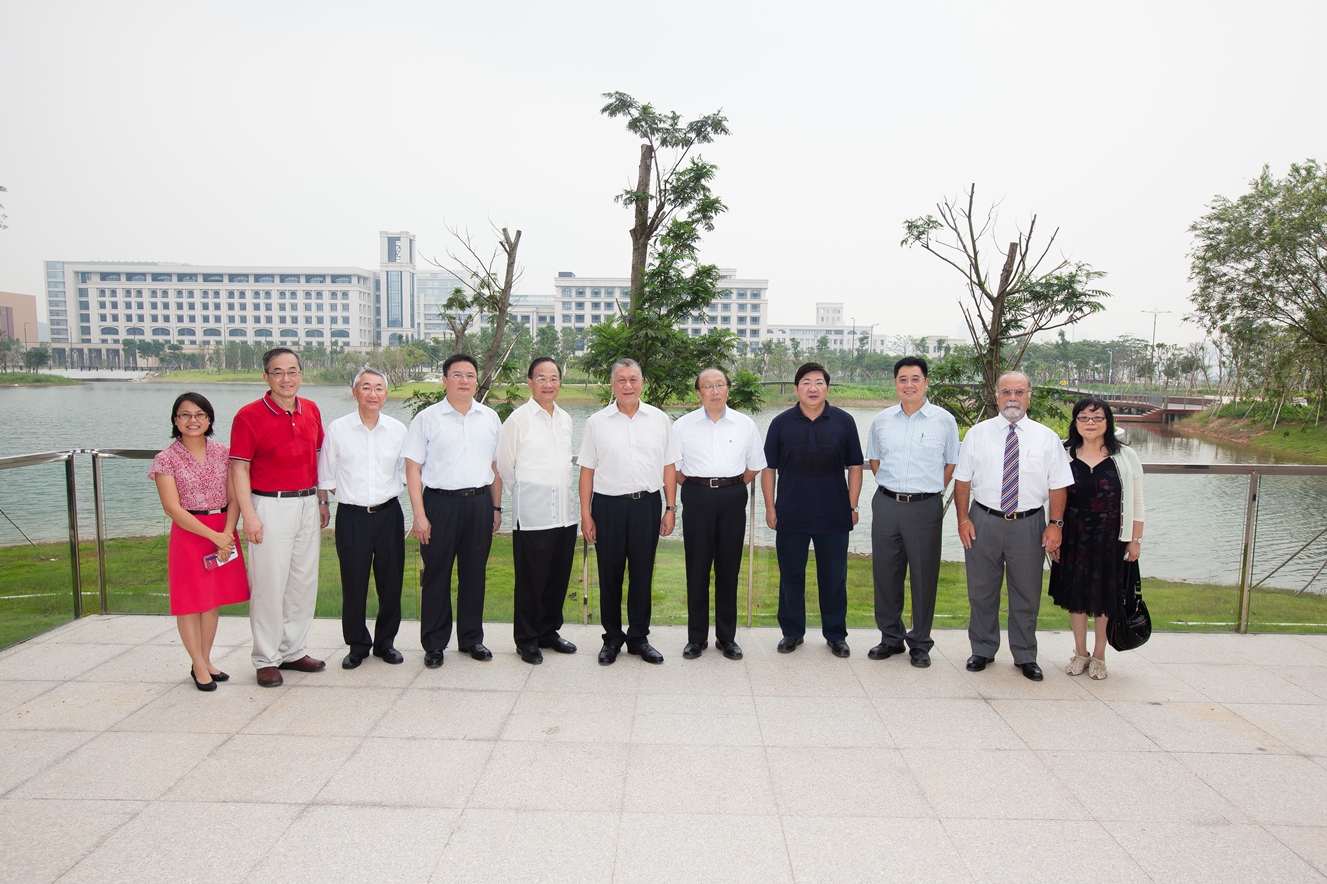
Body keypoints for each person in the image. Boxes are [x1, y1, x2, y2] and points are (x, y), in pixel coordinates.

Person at [953, 371, 1074, 681]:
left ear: (1028, 397)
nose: (1012, 398)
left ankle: (1025, 654)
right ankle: (982, 649)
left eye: (1019, 392)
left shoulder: (1046, 437)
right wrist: (963, 519)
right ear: (997, 397)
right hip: (983, 521)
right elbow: (962, 480)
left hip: (1029, 524)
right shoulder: (977, 434)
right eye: (1006, 392)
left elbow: (1059, 485)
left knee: (1027, 593)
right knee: (981, 591)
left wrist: (1055, 525)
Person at [231, 347, 329, 688]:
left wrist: (322, 501)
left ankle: (293, 650)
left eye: (292, 371)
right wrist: (249, 516)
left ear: (301, 374)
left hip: (307, 503)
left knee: (303, 582)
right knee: (269, 585)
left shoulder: (311, 409)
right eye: (278, 372)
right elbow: (239, 469)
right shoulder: (248, 416)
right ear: (266, 377)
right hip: (269, 505)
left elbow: (318, 458)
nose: (286, 378)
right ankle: (266, 658)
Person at [403, 353, 502, 669]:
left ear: (477, 381)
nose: (464, 381)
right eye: (457, 375)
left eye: (470, 375)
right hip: (439, 505)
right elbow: (413, 469)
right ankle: (434, 644)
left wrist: (496, 507)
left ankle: (471, 639)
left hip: (479, 503)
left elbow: (496, 467)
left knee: (474, 574)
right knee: (437, 574)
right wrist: (419, 515)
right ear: (445, 380)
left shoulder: (490, 418)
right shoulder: (427, 419)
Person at [578, 358, 680, 665]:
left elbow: (669, 466)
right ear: (612, 384)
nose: (627, 385)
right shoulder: (596, 422)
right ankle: (611, 638)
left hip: (646, 505)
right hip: (607, 507)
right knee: (609, 575)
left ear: (642, 383)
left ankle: (638, 638)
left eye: (633, 379)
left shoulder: (659, 419)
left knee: (642, 574)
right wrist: (586, 513)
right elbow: (586, 471)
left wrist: (670, 507)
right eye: (621, 380)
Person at [761, 362, 864, 658]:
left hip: (834, 514)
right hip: (790, 513)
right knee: (791, 576)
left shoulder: (844, 421)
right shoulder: (781, 423)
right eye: (806, 382)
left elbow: (856, 466)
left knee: (834, 578)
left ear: (827, 388)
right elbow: (768, 468)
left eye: (819, 382)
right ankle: (792, 633)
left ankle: (836, 635)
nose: (813, 388)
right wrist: (770, 507)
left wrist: (852, 505)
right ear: (796, 389)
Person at [149, 393, 250, 692]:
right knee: (190, 603)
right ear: (175, 420)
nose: (193, 420)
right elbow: (172, 508)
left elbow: (235, 498)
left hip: (223, 529)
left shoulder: (224, 453)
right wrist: (214, 536)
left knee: (212, 601)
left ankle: (205, 660)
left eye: (200, 415)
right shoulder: (166, 459)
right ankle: (197, 664)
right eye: (185, 415)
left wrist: (227, 535)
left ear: (209, 419)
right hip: (190, 533)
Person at [865, 356, 959, 668]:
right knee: (885, 574)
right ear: (895, 384)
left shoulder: (944, 420)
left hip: (924, 507)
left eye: (915, 378)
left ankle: (920, 643)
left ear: (926, 382)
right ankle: (890, 638)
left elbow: (951, 462)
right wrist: (894, 488)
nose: (909, 385)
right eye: (902, 379)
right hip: (886, 503)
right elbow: (875, 460)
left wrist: (929, 489)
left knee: (923, 576)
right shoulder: (882, 420)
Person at [1048, 398, 1145, 681]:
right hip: (1073, 537)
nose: (1090, 423)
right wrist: (1054, 534)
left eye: (1097, 417)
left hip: (1111, 538)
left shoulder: (1125, 456)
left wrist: (1135, 539)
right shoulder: (1063, 453)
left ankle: (1100, 655)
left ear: (1108, 422)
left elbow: (1138, 501)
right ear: (1075, 422)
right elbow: (1051, 496)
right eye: (1084, 417)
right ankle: (1081, 652)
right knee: (1076, 596)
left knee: (1105, 597)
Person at [318, 367, 408, 670]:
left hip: (389, 514)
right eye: (366, 387)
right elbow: (326, 474)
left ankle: (386, 643)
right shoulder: (338, 429)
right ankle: (357, 645)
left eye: (379, 388)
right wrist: (328, 502)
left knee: (391, 583)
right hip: (352, 517)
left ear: (386, 394)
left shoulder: (398, 429)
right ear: (355, 392)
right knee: (354, 584)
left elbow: (404, 473)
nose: (373, 394)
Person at [673, 367, 766, 660]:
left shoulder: (745, 424)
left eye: (720, 384)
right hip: (696, 495)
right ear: (698, 393)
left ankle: (727, 638)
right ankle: (696, 638)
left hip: (732, 496)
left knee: (729, 569)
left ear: (728, 389)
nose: (714, 391)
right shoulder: (682, 426)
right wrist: (698, 488)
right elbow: (674, 468)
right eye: (708, 386)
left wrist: (730, 486)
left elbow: (754, 465)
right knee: (697, 568)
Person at [496, 357, 579, 665]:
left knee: (558, 578)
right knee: (531, 581)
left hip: (565, 514)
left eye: (554, 378)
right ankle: (526, 639)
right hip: (533, 516)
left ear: (560, 383)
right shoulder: (518, 420)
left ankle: (548, 632)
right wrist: (526, 495)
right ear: (529, 382)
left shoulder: (565, 418)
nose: (548, 384)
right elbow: (505, 466)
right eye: (541, 378)